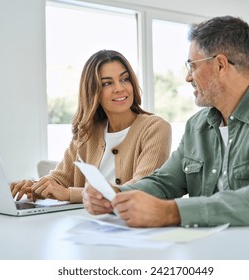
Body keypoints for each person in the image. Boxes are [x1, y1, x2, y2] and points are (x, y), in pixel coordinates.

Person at [83, 16, 249, 228]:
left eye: (192, 65)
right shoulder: (197, 126)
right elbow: (165, 182)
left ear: (220, 64)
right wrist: (116, 195)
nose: (187, 76)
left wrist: (172, 212)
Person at [11, 50, 171, 203]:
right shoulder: (87, 133)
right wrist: (34, 186)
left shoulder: (156, 128)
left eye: (124, 79)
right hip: (87, 224)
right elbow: (59, 178)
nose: (119, 88)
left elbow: (139, 189)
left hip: (133, 226)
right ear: (93, 91)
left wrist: (68, 194)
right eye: (107, 83)